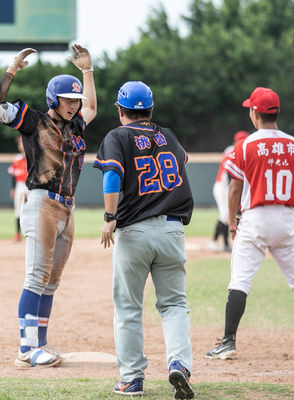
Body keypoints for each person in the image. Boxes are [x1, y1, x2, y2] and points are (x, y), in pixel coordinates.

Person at [0, 44, 97, 367]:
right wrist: (11, 70)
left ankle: (41, 343)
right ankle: (26, 348)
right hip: (41, 203)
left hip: (67, 208)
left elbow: (92, 107)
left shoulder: (76, 126)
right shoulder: (33, 121)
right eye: (68, 100)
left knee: (52, 281)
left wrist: (86, 70)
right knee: (36, 277)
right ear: (53, 100)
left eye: (75, 100)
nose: (74, 105)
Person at [205, 87, 294, 360]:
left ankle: (228, 342)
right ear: (276, 112)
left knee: (239, 281)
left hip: (255, 217)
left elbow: (234, 190)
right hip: (285, 218)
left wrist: (231, 223)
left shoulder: (246, 145)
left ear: (255, 113)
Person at [94, 81, 195, 399]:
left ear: (121, 110)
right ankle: (179, 363)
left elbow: (112, 175)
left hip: (134, 231)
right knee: (174, 304)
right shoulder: (168, 136)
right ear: (150, 110)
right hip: (172, 229)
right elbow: (183, 159)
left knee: (128, 307)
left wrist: (110, 218)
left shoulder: (117, 136)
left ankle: (132, 379)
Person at [208, 130, 249, 252]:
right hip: (223, 186)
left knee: (226, 215)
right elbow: (228, 174)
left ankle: (224, 244)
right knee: (226, 215)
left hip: (226, 186)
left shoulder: (234, 150)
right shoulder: (232, 150)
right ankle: (215, 241)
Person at [7, 135, 29, 242]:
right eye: (19, 143)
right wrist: (12, 189)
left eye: (21, 142)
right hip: (20, 185)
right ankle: (17, 234)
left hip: (31, 186)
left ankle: (32, 234)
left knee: (33, 211)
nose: (20, 145)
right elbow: (12, 175)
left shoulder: (33, 156)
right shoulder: (17, 159)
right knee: (18, 210)